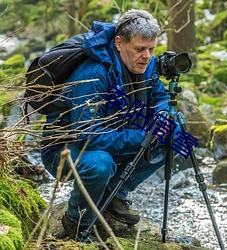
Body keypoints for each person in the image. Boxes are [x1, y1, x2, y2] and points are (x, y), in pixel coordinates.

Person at [41, 9, 181, 241]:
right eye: (140, 49)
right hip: (65, 150)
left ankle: (115, 194)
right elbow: (87, 136)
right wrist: (144, 136)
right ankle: (77, 221)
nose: (147, 56)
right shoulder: (94, 75)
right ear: (119, 43)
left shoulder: (146, 65)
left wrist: (163, 115)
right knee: (100, 164)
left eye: (151, 49)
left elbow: (161, 97)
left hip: (114, 135)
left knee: (176, 135)